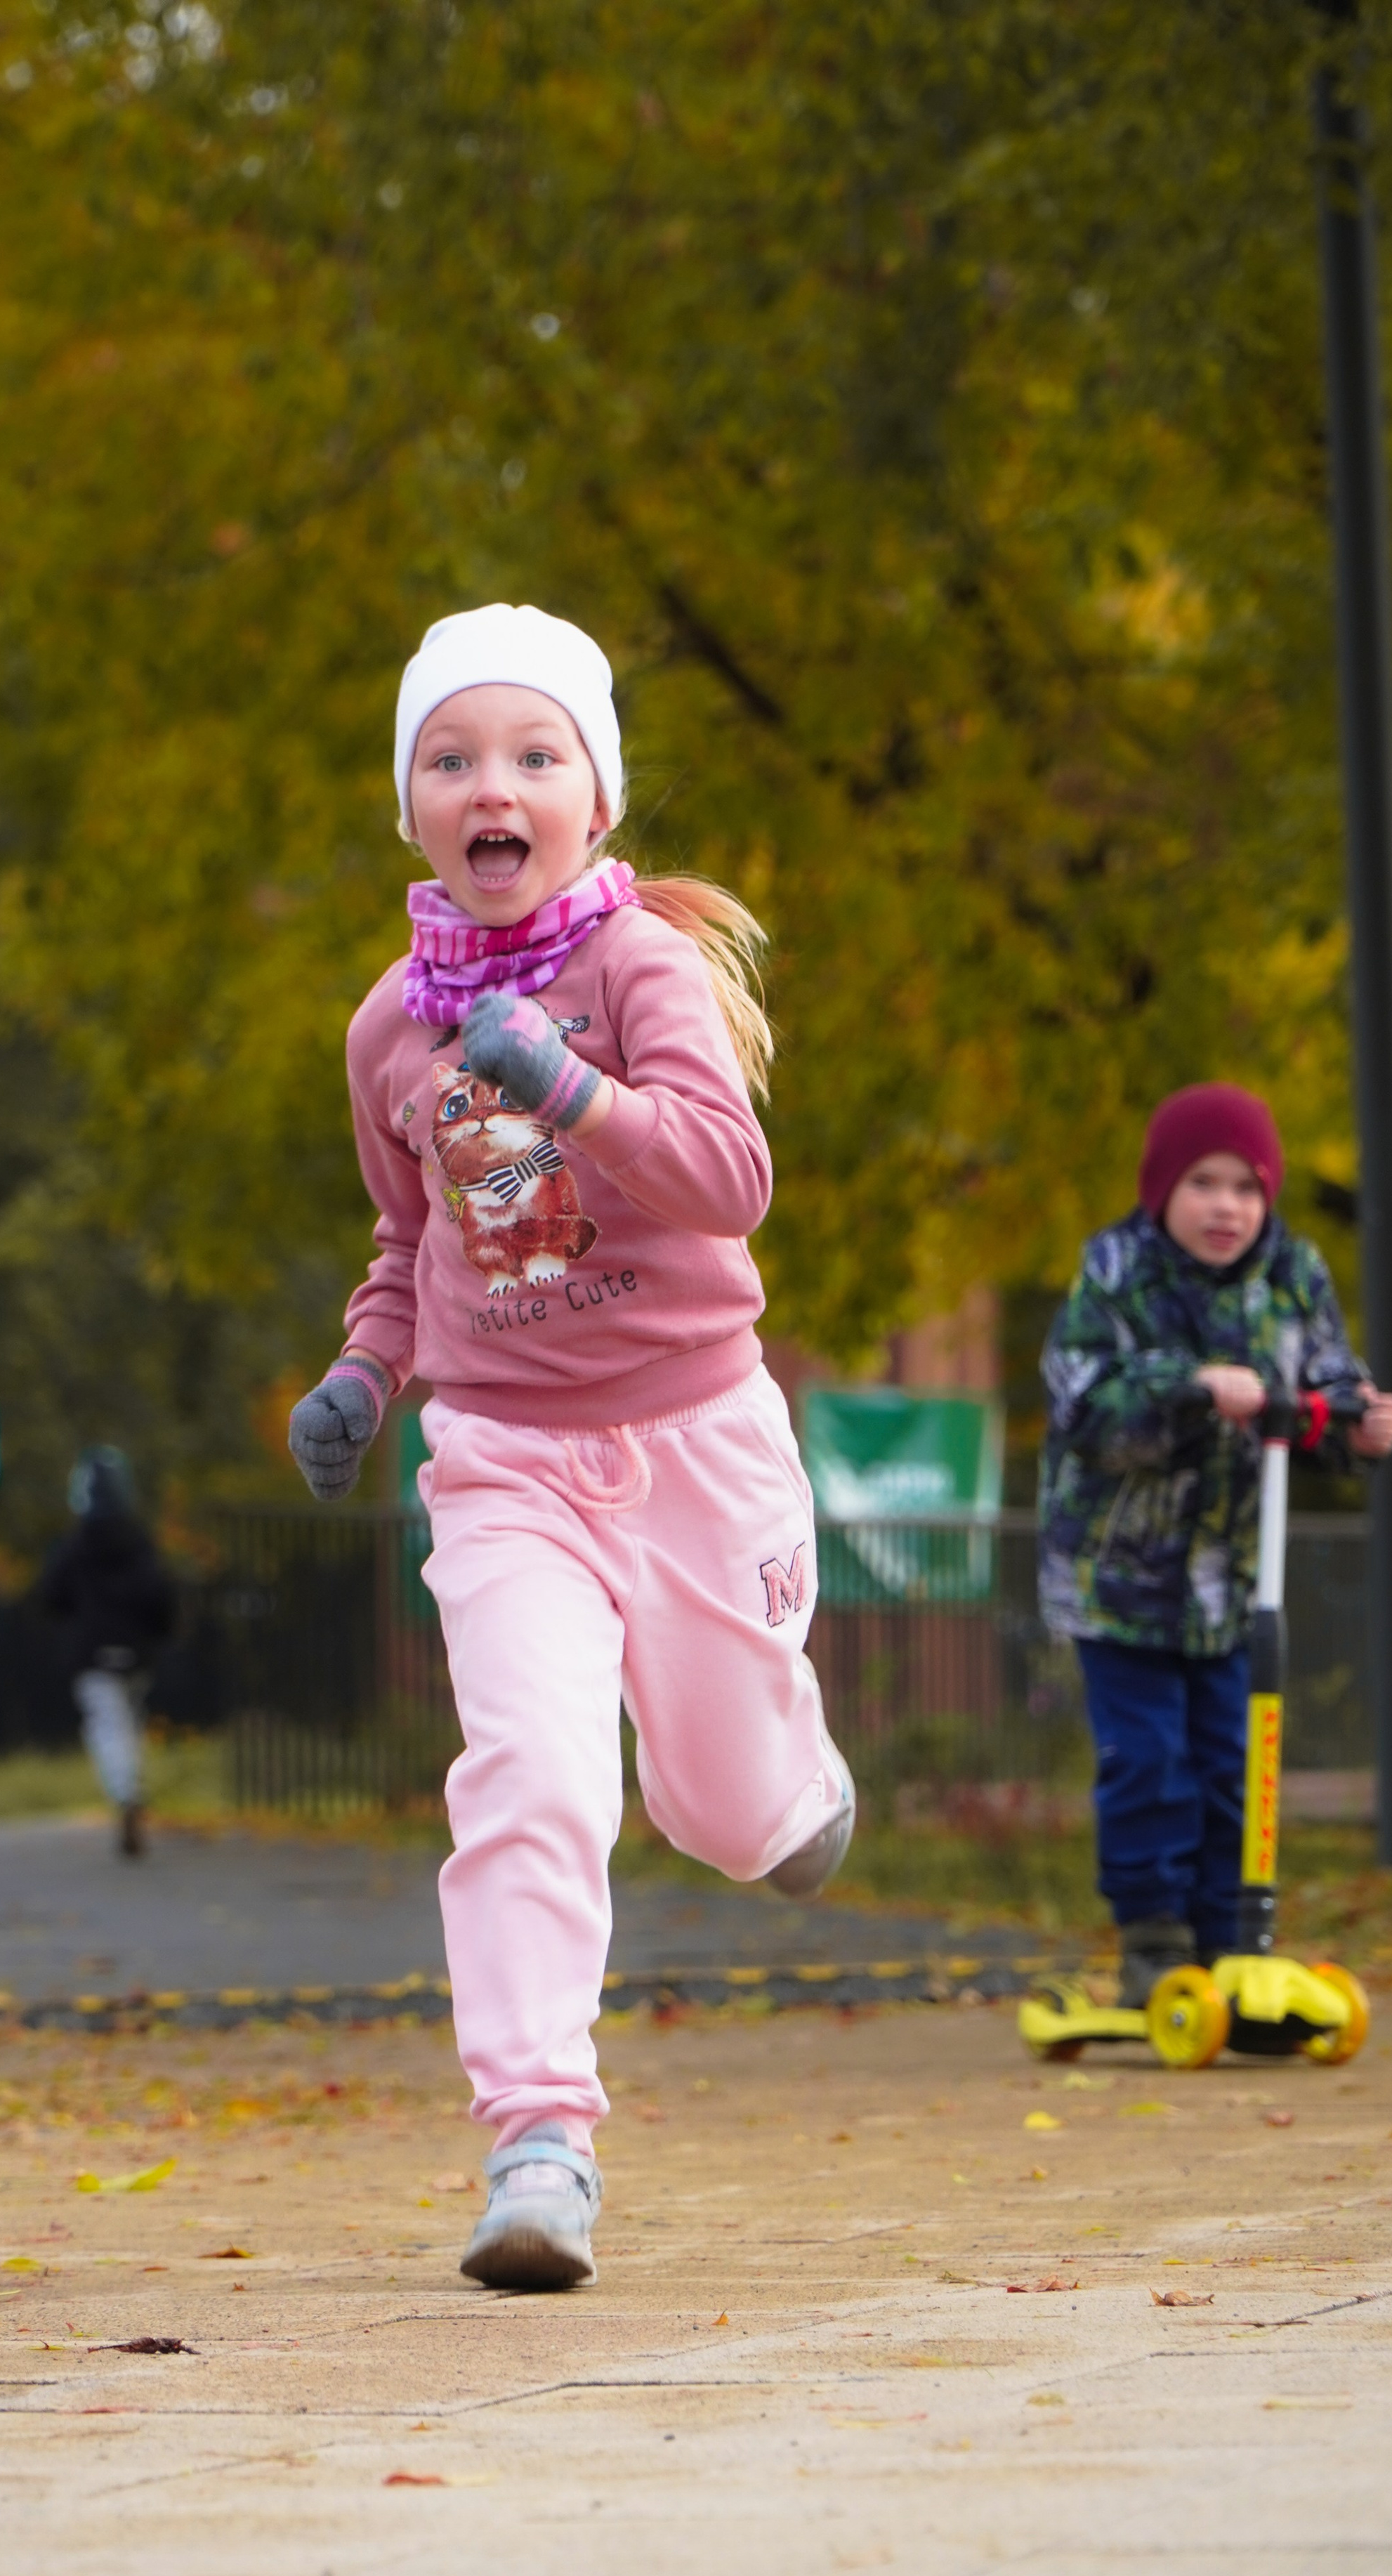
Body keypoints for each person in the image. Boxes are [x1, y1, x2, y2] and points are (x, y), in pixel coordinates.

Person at [287, 603, 853, 2291]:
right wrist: (362, 1375)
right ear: (412, 809)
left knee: (724, 1808)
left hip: (691, 1434)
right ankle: (537, 2138)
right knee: (531, 1773)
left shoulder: (635, 971)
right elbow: (409, 1247)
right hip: (503, 1454)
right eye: (451, 757)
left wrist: (575, 1091)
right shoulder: (386, 1029)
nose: (493, 783)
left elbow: (725, 1179)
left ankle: (785, 1777)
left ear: (592, 800)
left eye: (535, 754)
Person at [1038, 1082, 1392, 2008]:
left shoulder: (1292, 1276)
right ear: (1163, 1189)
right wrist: (1193, 1385)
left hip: (1236, 1583)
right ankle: (1156, 1945)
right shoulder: (1118, 1270)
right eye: (1204, 1183)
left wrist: (1358, 1424)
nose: (1227, 1207)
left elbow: (1326, 1385)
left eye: (1246, 1187)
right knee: (1149, 1762)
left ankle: (1229, 1937)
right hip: (1122, 1580)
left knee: (1237, 1760)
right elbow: (1084, 1404)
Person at [39, 1445, 176, 1858]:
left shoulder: (73, 1546)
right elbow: (161, 1597)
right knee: (129, 1724)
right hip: (136, 1653)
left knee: (106, 1726)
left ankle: (125, 1793)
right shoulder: (140, 1543)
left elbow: (51, 1596)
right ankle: (131, 1790)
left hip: (91, 1653)